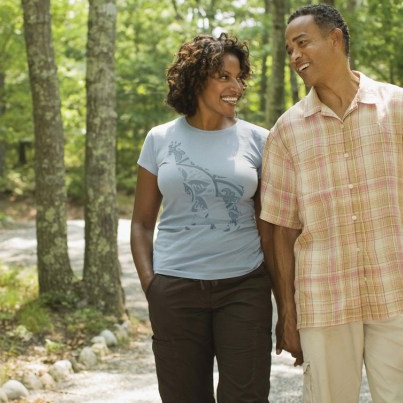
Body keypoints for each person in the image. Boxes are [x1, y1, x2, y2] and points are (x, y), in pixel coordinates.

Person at [260, 4, 403, 403]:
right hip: (323, 299)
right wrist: (288, 310)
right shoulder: (285, 132)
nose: (295, 56)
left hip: (399, 293)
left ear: (335, 38)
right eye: (288, 50)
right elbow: (282, 228)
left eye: (302, 44)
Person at [130, 33, 274, 403]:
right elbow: (142, 223)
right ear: (195, 79)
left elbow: (269, 223)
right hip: (176, 290)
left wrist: (282, 297)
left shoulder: (260, 140)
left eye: (239, 77)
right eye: (224, 77)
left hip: (243, 288)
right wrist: (153, 287)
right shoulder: (159, 140)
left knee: (246, 397)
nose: (236, 87)